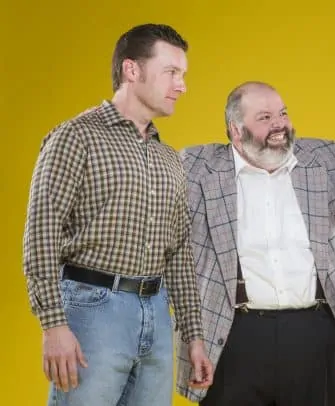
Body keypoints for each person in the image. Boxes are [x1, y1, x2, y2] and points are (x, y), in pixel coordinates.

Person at [22, 23, 213, 406]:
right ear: (132, 70)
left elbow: (177, 253)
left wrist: (193, 335)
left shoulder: (169, 159)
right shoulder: (76, 137)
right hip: (92, 311)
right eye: (171, 72)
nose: (182, 86)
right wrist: (53, 325)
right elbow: (41, 232)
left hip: (157, 314)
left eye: (184, 75)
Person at [175, 81, 335, 406]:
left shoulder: (324, 158)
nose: (279, 124)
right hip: (232, 336)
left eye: (283, 113)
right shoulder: (196, 167)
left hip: (314, 334)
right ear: (236, 130)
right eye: (264, 117)